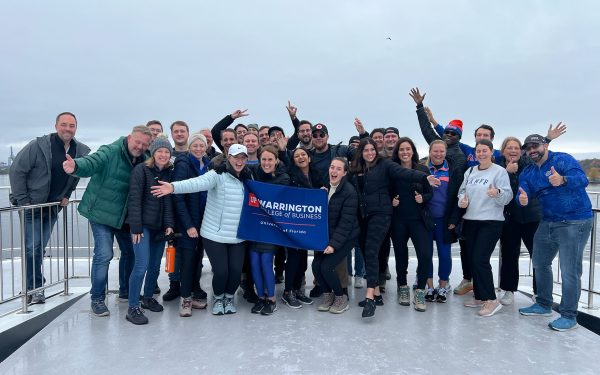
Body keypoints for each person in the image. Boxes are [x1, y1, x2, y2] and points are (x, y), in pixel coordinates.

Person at [152, 144, 252, 316]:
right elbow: (197, 183)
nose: (239, 161)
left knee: (235, 271)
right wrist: (173, 187)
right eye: (236, 157)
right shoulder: (217, 175)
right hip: (214, 234)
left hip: (237, 235)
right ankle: (219, 298)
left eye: (243, 157)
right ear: (229, 157)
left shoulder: (248, 177)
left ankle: (229, 297)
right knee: (221, 271)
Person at [62, 125, 152, 317]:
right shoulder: (110, 151)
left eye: (145, 144)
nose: (140, 146)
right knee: (104, 254)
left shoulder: (144, 159)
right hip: (101, 213)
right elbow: (93, 162)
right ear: (129, 138)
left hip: (124, 216)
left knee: (130, 252)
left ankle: (126, 291)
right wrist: (76, 166)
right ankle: (97, 298)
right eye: (138, 142)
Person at [9, 112, 90, 304]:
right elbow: (17, 170)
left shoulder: (80, 150)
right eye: (64, 125)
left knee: (39, 248)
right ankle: (34, 289)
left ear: (76, 128)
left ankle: (36, 284)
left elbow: (76, 174)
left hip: (52, 208)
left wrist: (67, 195)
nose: (67, 129)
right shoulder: (38, 146)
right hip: (31, 207)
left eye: (71, 126)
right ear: (56, 126)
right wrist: (23, 201)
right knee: (31, 249)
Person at [517, 132, 593, 331]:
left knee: (569, 270)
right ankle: (543, 304)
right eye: (529, 148)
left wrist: (564, 179)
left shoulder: (562, 159)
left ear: (545, 146)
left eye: (536, 146)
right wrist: (521, 199)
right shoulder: (528, 172)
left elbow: (583, 179)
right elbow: (523, 191)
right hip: (548, 221)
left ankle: (569, 315)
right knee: (540, 262)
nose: (533, 150)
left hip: (575, 221)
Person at [349, 138, 433, 318]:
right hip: (363, 217)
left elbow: (406, 173)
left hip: (382, 214)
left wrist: (424, 177)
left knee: (371, 250)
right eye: (366, 150)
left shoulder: (385, 165)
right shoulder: (356, 170)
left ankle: (370, 295)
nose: (370, 153)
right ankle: (378, 294)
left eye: (373, 149)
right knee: (366, 251)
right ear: (361, 153)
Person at [457, 139, 512, 317]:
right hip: (471, 220)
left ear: (491, 152)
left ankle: (491, 300)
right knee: (473, 260)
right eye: (478, 151)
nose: (481, 154)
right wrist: (462, 201)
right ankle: (480, 296)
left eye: (484, 151)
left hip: (491, 221)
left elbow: (508, 196)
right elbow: (461, 192)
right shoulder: (470, 171)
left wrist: (497, 193)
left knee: (480, 259)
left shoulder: (500, 172)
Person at [125, 135, 175, 325]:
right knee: (141, 265)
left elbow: (169, 202)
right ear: (153, 153)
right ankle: (132, 307)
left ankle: (147, 298)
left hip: (159, 227)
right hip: (143, 227)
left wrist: (169, 225)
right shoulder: (141, 170)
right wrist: (136, 227)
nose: (163, 154)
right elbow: (134, 199)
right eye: (160, 151)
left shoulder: (169, 173)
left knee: (154, 266)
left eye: (166, 151)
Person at [389, 137, 433, 312]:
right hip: (398, 219)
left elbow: (431, 194)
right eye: (401, 150)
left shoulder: (422, 169)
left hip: (418, 220)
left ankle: (420, 290)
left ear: (413, 151)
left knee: (425, 255)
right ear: (397, 152)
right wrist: (391, 201)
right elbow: (385, 192)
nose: (405, 152)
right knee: (401, 255)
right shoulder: (392, 169)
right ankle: (403, 287)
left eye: (408, 149)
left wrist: (423, 198)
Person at [496, 136, 542, 305]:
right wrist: (507, 172)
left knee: (538, 255)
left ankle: (540, 292)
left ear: (521, 151)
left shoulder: (529, 164)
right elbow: (497, 188)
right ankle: (509, 290)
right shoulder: (498, 167)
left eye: (516, 148)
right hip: (510, 218)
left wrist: (549, 138)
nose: (513, 151)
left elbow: (541, 152)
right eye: (509, 148)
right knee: (509, 254)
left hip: (532, 216)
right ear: (503, 151)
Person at [281, 148, 327, 308]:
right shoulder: (290, 176)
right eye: (296, 156)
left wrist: (323, 191)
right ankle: (287, 292)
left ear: (309, 158)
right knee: (293, 257)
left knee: (302, 260)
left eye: (303, 154)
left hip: (310, 225)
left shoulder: (317, 174)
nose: (300, 157)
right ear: (293, 160)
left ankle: (298, 290)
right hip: (293, 223)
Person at [248, 146, 290, 315]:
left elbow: (277, 195)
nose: (266, 163)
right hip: (254, 225)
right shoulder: (253, 172)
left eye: (270, 159)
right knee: (254, 262)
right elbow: (234, 165)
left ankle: (271, 298)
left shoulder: (283, 177)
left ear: (276, 160)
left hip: (272, 227)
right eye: (263, 159)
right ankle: (260, 297)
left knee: (266, 261)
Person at [314, 158, 359, 314]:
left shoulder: (349, 192)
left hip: (346, 236)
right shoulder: (325, 187)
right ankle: (328, 295)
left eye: (338, 169)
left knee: (327, 267)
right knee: (315, 267)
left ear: (345, 173)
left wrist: (333, 245)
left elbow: (346, 223)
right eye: (332, 167)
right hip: (328, 234)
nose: (334, 171)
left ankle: (341, 297)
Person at [173, 133, 211, 317]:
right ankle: (185, 299)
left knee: (197, 261)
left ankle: (193, 294)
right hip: (190, 222)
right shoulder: (183, 164)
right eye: (195, 145)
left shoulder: (209, 164)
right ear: (189, 147)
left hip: (205, 221)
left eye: (201, 145)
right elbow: (178, 196)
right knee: (188, 261)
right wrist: (188, 225)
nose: (198, 148)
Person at [423, 140, 463, 304]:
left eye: (441, 151)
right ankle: (429, 286)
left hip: (444, 220)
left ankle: (443, 286)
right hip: (426, 220)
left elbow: (458, 196)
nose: (438, 154)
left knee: (444, 254)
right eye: (435, 151)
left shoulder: (453, 170)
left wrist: (454, 219)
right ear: (430, 151)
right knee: (425, 254)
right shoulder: (423, 168)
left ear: (446, 152)